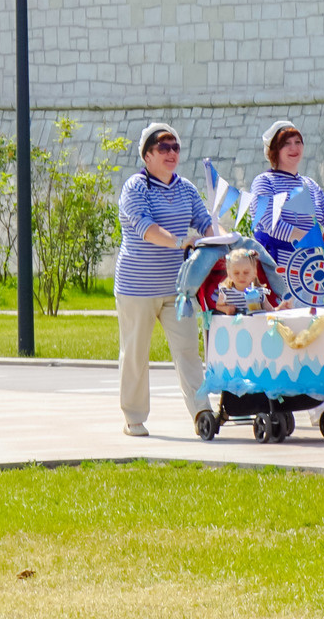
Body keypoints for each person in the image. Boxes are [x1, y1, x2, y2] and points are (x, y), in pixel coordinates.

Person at [115, 122, 215, 437]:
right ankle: (134, 417)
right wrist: (180, 241)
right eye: (163, 147)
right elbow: (146, 229)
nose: (171, 153)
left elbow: (205, 222)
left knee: (188, 350)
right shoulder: (135, 187)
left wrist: (225, 243)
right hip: (137, 288)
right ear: (147, 155)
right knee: (135, 352)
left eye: (175, 148)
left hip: (177, 288)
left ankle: (202, 412)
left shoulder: (185, 187)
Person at [248, 120, 324, 256]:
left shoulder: (310, 185)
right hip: (275, 266)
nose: (294, 148)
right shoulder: (264, 182)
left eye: (298, 142)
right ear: (275, 150)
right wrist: (314, 239)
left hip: (312, 268)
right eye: (286, 144)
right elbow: (271, 224)